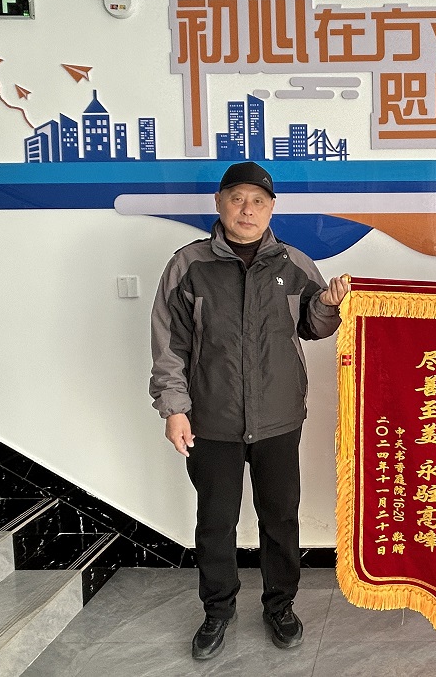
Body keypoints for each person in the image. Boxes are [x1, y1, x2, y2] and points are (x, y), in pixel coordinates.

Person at [150, 161, 350, 660]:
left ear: (271, 209)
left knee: (280, 519)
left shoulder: (294, 263)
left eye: (258, 201)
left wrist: (328, 303)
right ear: (219, 203)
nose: (247, 210)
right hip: (211, 419)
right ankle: (217, 612)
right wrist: (174, 409)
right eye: (237, 199)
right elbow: (169, 344)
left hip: (279, 418)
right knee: (215, 522)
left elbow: (314, 326)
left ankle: (280, 606)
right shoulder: (188, 265)